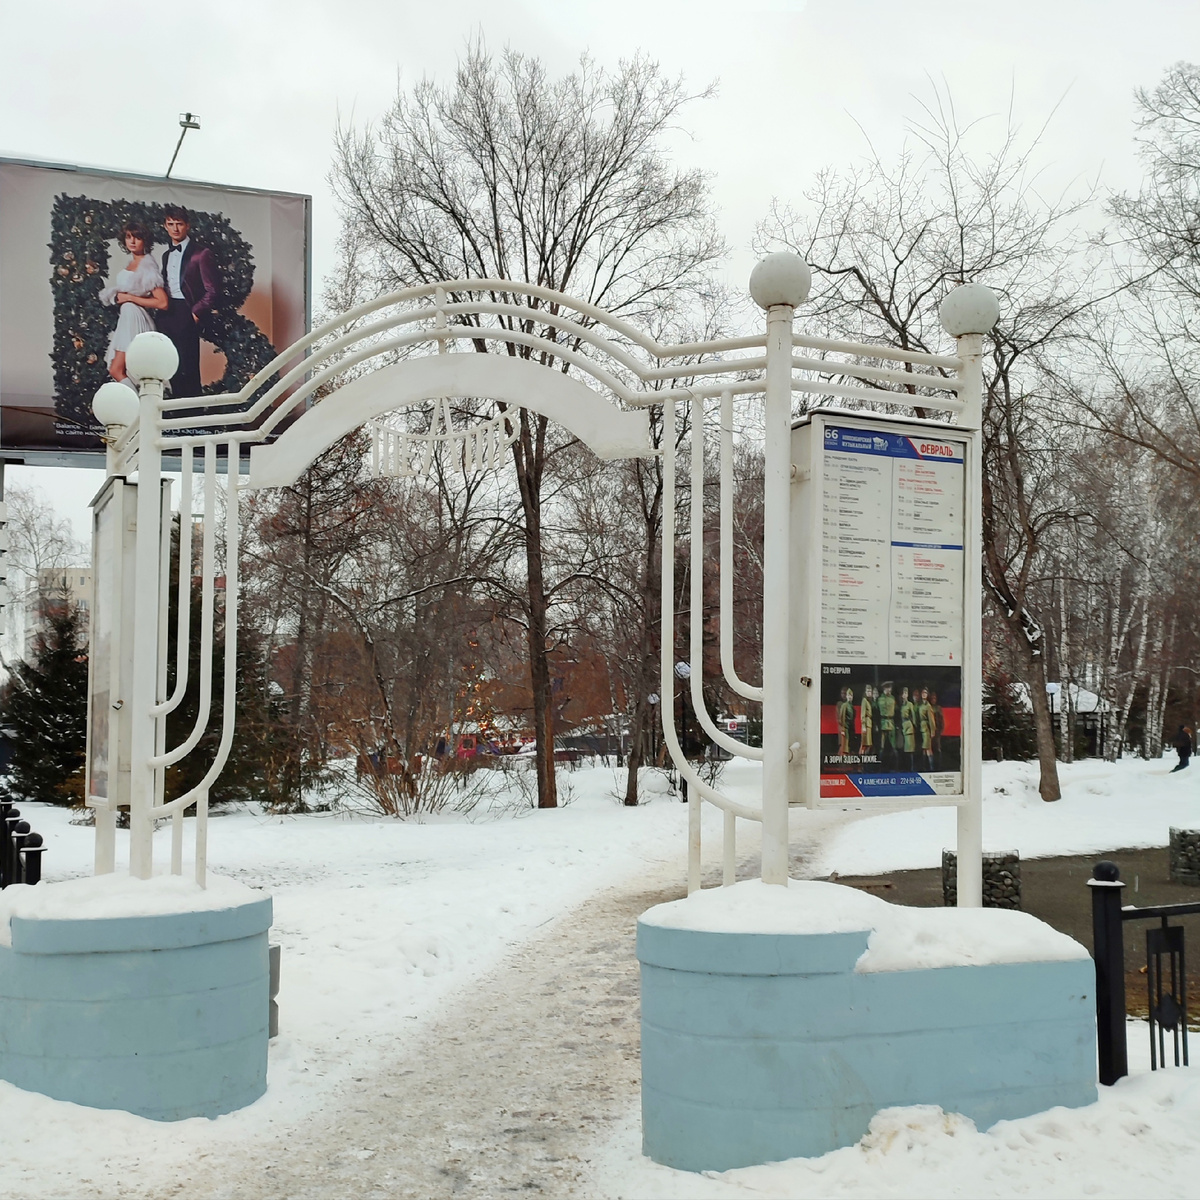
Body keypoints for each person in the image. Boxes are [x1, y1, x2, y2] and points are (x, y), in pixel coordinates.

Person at [155, 206, 219, 399]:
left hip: (187, 311)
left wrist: (196, 313)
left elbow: (212, 289)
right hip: (167, 312)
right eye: (171, 224)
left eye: (179, 224)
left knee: (188, 366)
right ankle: (176, 411)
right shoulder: (166, 255)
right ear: (165, 226)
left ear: (187, 226)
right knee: (170, 364)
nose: (175, 229)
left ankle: (192, 417)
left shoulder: (201, 253)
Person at [97, 223, 168, 389]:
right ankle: (138, 410)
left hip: (135, 318)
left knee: (117, 369)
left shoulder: (147, 266)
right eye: (129, 237)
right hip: (127, 318)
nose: (132, 241)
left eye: (137, 237)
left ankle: (138, 411)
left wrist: (129, 298)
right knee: (122, 371)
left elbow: (162, 302)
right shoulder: (132, 264)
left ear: (145, 240)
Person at [877, 682, 897, 765]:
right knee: (881, 747)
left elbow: (896, 711)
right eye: (888, 687)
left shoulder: (893, 698)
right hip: (882, 723)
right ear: (884, 688)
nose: (889, 689)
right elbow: (877, 712)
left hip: (891, 723)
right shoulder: (880, 699)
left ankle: (896, 766)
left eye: (890, 687)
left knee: (894, 746)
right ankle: (881, 766)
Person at [899, 686, 917, 772]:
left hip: (909, 726)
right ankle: (905, 768)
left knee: (910, 749)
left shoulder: (910, 704)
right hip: (902, 726)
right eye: (903, 693)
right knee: (903, 749)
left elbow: (913, 716)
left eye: (906, 693)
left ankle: (912, 768)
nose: (905, 695)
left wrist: (913, 725)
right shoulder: (900, 704)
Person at [836, 687, 854, 756]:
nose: (843, 695)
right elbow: (840, 717)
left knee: (847, 744)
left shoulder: (850, 705)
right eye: (842, 693)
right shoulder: (840, 704)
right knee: (843, 744)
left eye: (844, 693)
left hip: (849, 727)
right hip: (843, 726)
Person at [859, 684, 875, 757]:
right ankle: (861, 760)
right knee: (865, 744)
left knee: (868, 744)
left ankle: (865, 761)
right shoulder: (864, 701)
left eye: (870, 691)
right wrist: (863, 726)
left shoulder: (869, 701)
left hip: (869, 724)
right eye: (868, 691)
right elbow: (862, 714)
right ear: (865, 692)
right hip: (866, 725)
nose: (869, 692)